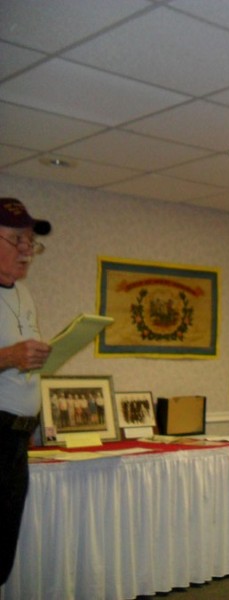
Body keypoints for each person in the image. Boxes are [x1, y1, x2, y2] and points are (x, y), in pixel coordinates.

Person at [0, 197, 51, 585]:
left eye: (30, 241)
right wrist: (10, 356)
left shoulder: (23, 292)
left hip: (17, 438)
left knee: (3, 547)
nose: (27, 251)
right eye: (17, 239)